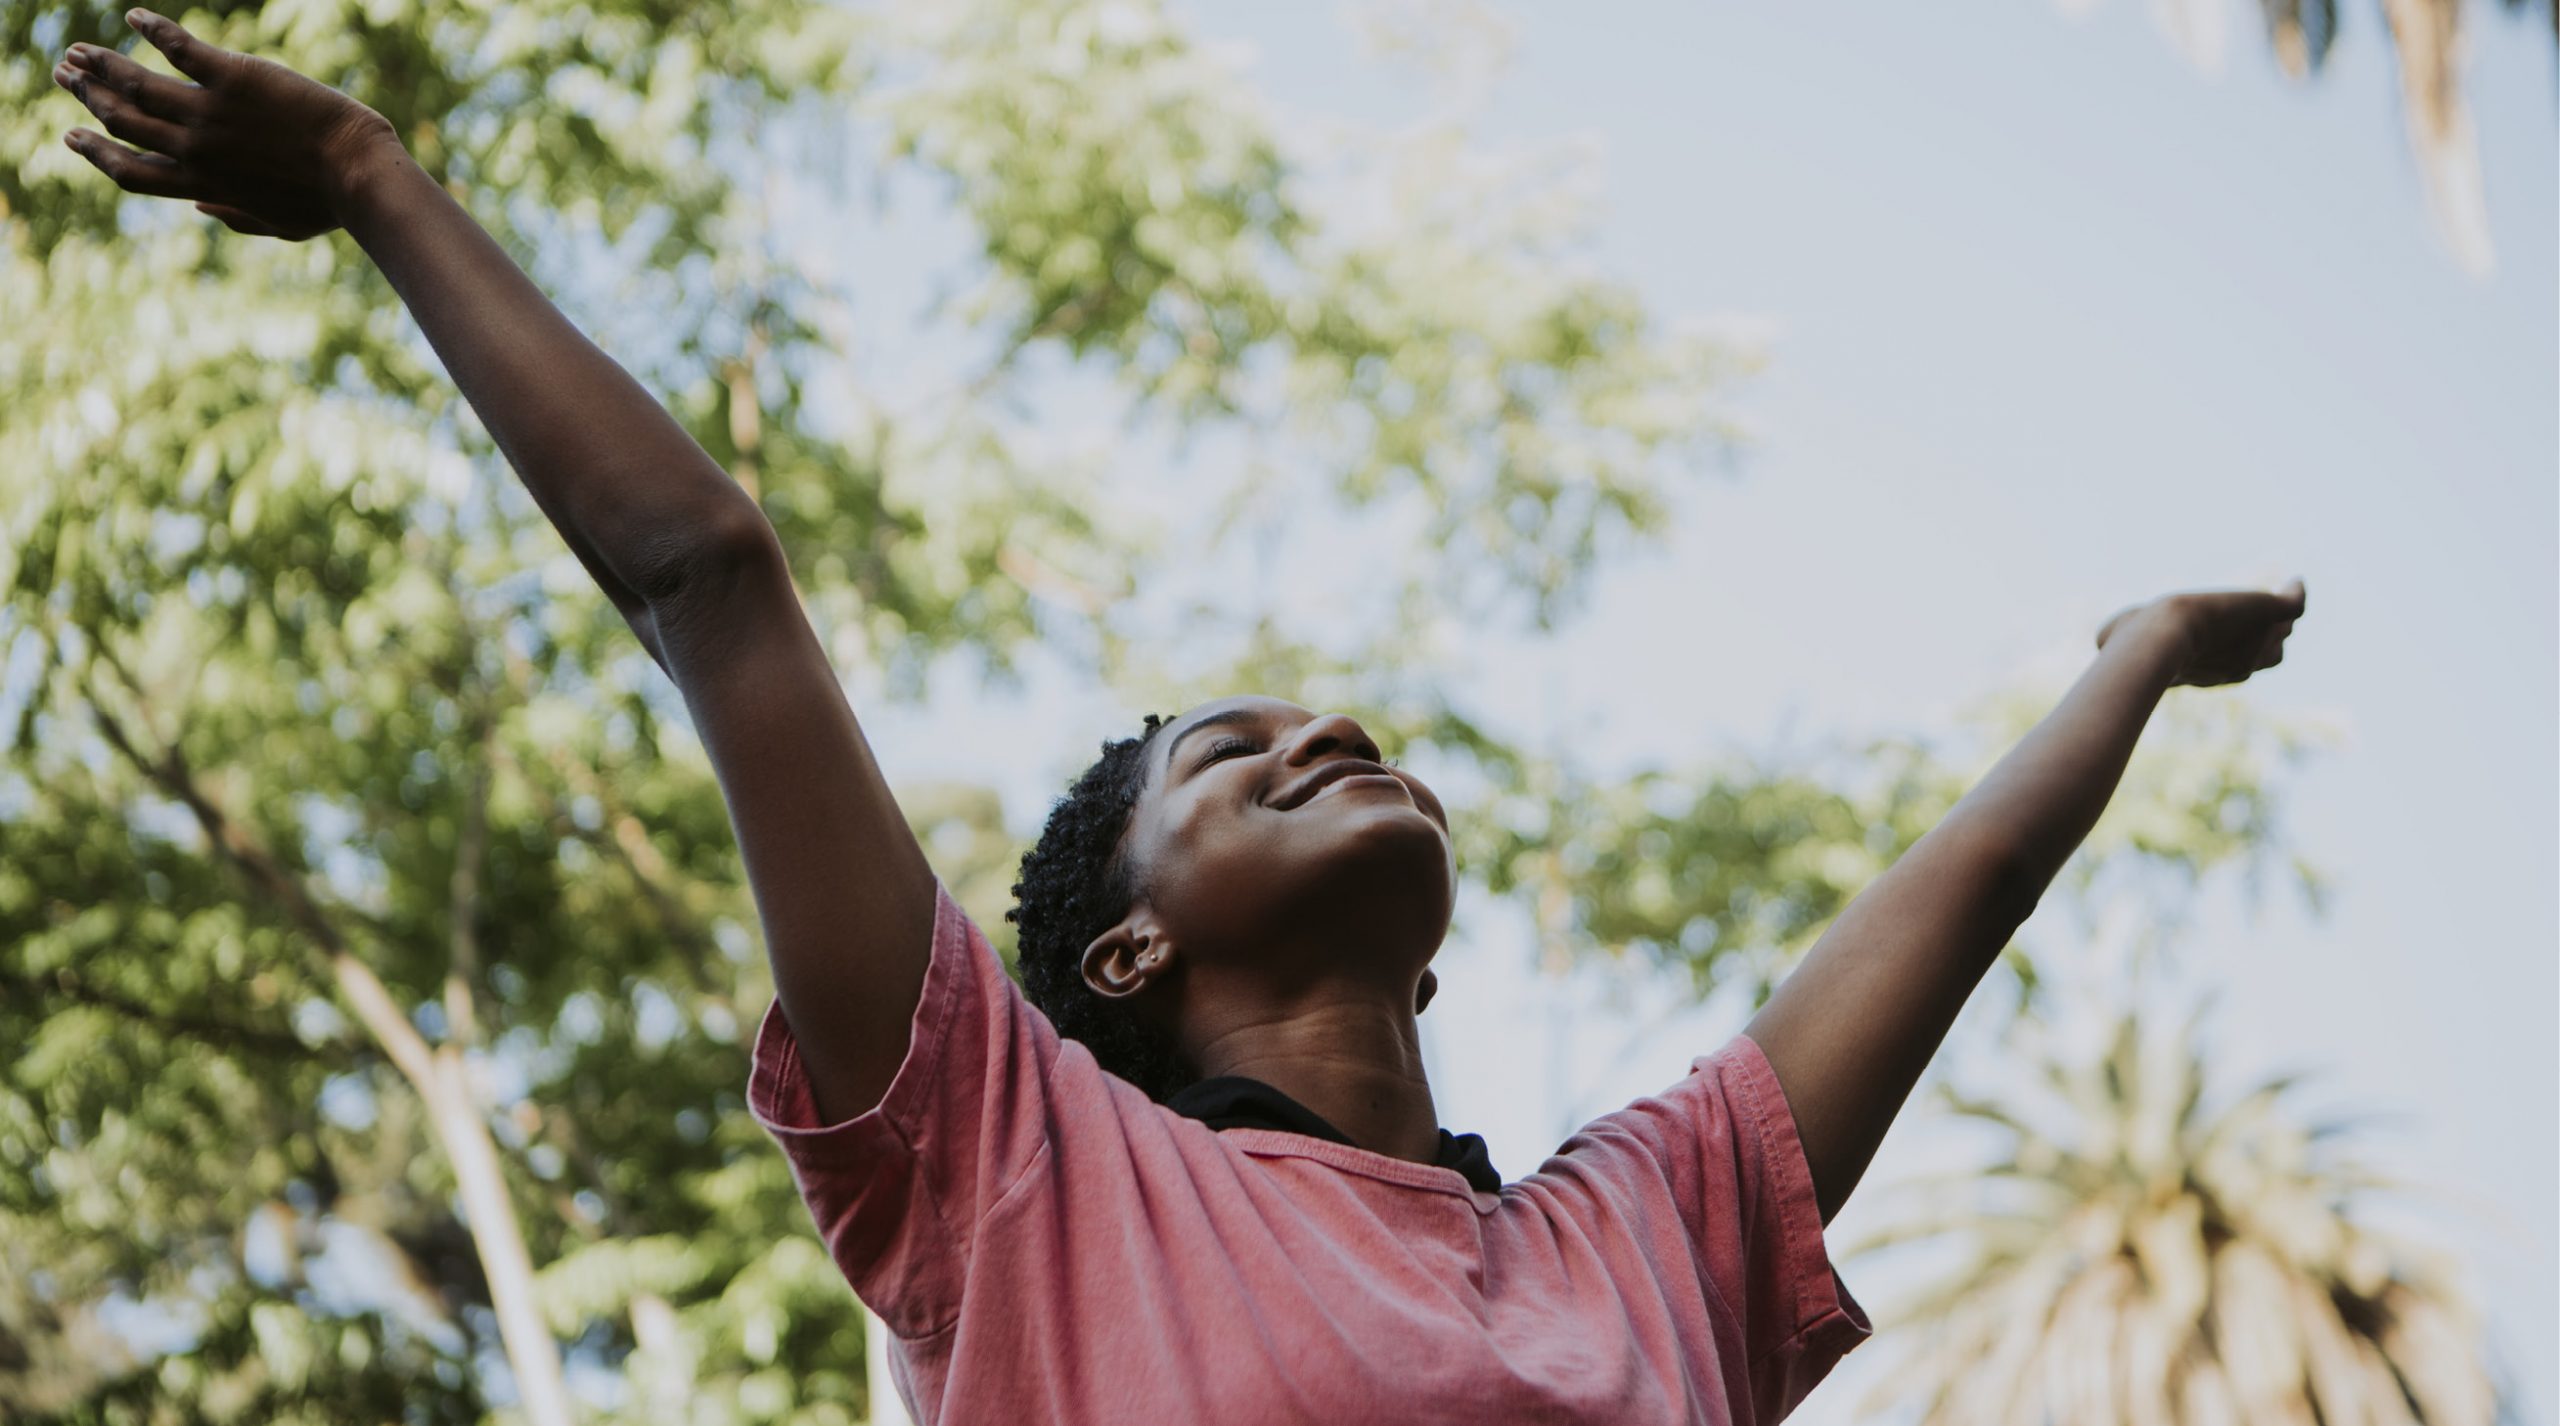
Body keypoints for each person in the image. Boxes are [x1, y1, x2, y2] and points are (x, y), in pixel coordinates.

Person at [51, 15, 2307, 1425]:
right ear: (1122, 953)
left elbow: (1963, 886)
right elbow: (711, 582)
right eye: (1238, 756)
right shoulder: (1016, 1163)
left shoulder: (1646, 1231)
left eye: (1349, 728)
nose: (1329, 736)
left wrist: (2127, 661)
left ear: (1433, 943)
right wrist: (366, 181)